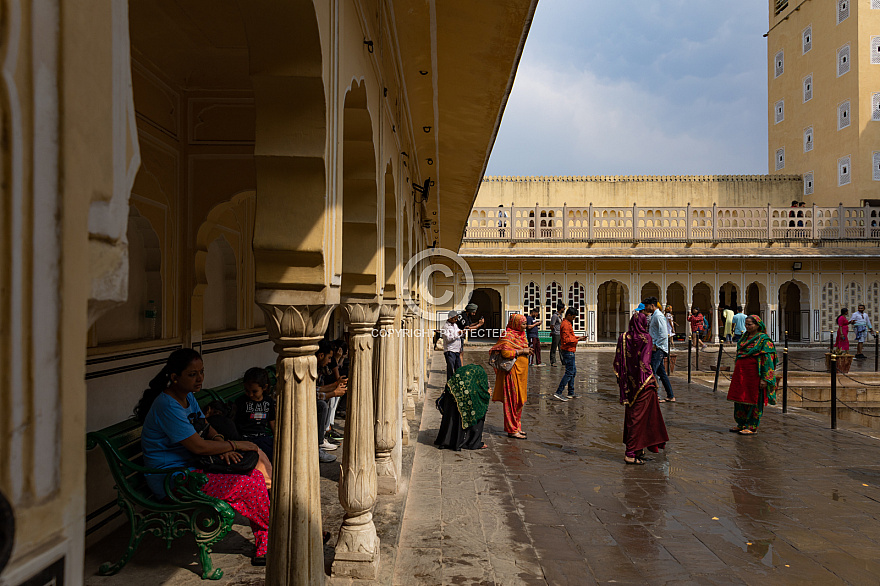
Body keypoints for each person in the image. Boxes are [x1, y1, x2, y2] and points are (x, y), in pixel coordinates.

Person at [135, 348, 270, 565]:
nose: (200, 379)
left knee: (254, 476)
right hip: (172, 479)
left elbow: (206, 427)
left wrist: (220, 444)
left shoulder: (187, 397)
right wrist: (235, 444)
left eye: (202, 372)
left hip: (191, 468)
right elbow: (198, 447)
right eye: (192, 374)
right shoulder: (167, 405)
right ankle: (271, 537)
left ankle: (266, 540)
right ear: (174, 377)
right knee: (249, 484)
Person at [613, 312, 669, 465]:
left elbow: (617, 363)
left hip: (629, 386)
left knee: (633, 416)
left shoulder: (623, 337)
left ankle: (638, 449)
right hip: (644, 385)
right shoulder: (646, 338)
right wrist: (652, 381)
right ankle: (630, 453)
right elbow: (645, 363)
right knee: (639, 418)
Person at [727, 315, 777, 435]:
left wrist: (765, 379)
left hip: (755, 375)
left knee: (754, 400)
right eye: (746, 324)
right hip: (742, 375)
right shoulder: (744, 338)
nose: (747, 327)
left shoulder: (764, 340)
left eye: (750, 324)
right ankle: (741, 423)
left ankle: (752, 426)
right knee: (740, 399)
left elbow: (768, 360)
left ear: (757, 325)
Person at [490, 314, 532, 439]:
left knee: (520, 400)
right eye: (523, 324)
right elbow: (505, 352)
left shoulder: (522, 335)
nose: (525, 327)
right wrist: (522, 351)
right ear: (516, 324)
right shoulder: (507, 335)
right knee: (511, 401)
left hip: (522, 375)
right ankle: (512, 429)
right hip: (511, 373)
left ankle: (517, 426)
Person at [434, 364, 491, 450]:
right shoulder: (481, 376)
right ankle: (473, 442)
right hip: (462, 392)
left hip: (451, 389)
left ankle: (447, 440)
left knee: (452, 414)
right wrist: (487, 394)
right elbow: (482, 396)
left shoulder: (466, 372)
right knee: (480, 407)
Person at [235, 367, 276, 462]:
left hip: (262, 436)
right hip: (246, 437)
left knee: (276, 451)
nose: (250, 395)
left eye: (254, 391)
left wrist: (276, 437)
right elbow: (236, 422)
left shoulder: (268, 401)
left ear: (264, 387)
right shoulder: (241, 402)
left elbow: (272, 421)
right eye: (247, 390)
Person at [315, 340, 346, 460]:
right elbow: (312, 393)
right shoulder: (311, 367)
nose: (329, 361)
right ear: (321, 355)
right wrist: (334, 392)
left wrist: (336, 385)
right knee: (322, 405)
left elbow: (318, 389)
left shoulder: (320, 368)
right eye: (328, 358)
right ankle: (319, 444)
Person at [553, 307, 588, 401]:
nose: (574, 319)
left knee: (573, 372)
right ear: (569, 315)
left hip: (570, 350)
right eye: (573, 317)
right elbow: (566, 340)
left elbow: (570, 336)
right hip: (568, 351)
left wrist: (579, 337)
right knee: (569, 372)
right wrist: (578, 339)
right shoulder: (565, 325)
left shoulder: (568, 323)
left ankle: (571, 392)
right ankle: (559, 392)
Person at [644, 297, 674, 402]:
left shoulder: (659, 316)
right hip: (657, 347)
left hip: (658, 348)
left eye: (647, 306)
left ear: (652, 306)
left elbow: (663, 334)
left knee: (652, 371)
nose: (646, 308)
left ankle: (654, 395)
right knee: (661, 373)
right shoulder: (654, 316)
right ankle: (670, 395)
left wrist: (656, 345)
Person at [441, 310, 464, 380]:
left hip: (457, 350)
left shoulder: (455, 325)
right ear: (450, 318)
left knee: (458, 370)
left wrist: (462, 333)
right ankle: (449, 387)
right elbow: (448, 339)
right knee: (450, 370)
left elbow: (459, 332)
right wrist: (457, 334)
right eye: (455, 319)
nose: (456, 320)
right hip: (450, 351)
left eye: (457, 319)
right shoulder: (445, 327)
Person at [549, 301, 565, 367]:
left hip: (560, 334)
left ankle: (563, 361)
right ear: (561, 308)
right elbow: (552, 325)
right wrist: (553, 331)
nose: (564, 309)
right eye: (563, 308)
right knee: (554, 348)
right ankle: (553, 361)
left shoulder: (560, 316)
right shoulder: (555, 316)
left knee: (561, 348)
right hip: (556, 334)